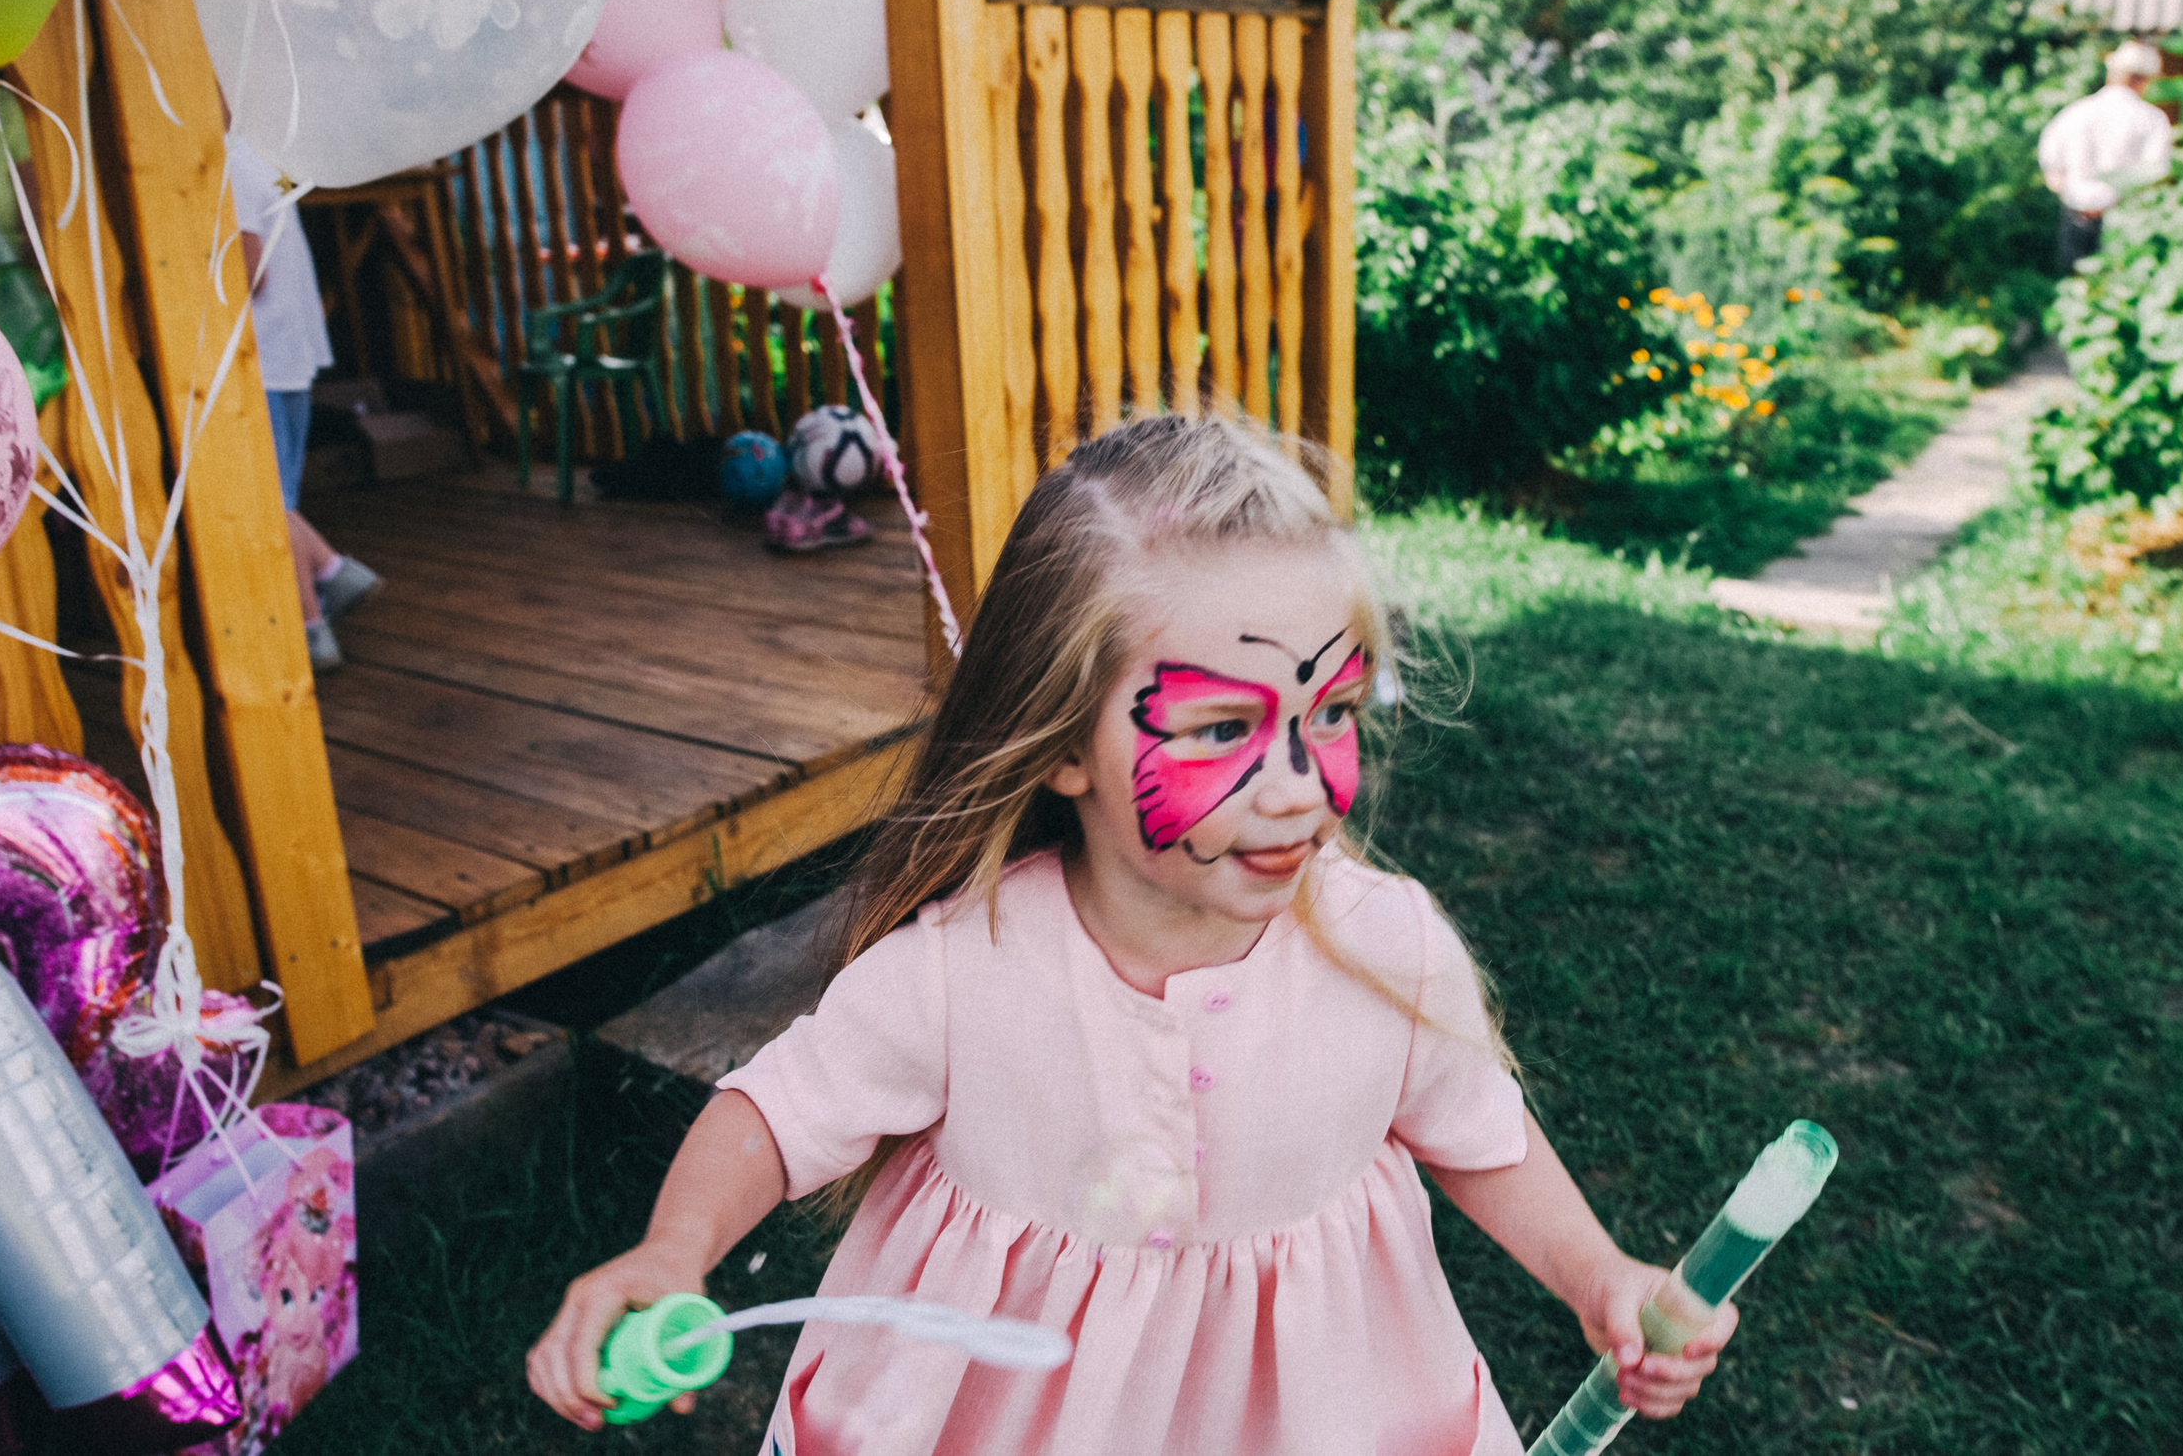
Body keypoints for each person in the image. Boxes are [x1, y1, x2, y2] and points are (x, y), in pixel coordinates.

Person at [526, 418, 1740, 1454]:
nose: (1294, 786)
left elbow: (1475, 1134)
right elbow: (773, 1116)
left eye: (1327, 713)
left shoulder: (1386, 947)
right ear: (1060, 745)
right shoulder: (965, 970)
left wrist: (1597, 1276)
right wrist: (674, 1249)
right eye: (1218, 729)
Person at [226, 133, 380, 671]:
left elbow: (247, 268)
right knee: (278, 495)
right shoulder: (257, 155)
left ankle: (310, 628)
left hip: (261, 354)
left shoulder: (226, 163)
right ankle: (333, 572)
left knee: (267, 502)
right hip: (291, 352)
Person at [2038, 40, 2173, 274]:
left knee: (2075, 288)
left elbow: (2052, 169)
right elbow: (2155, 173)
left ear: (2113, 73)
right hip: (2124, 218)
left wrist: (2079, 196)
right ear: (2143, 80)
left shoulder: (2075, 112)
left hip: (2076, 214)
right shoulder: (2152, 119)